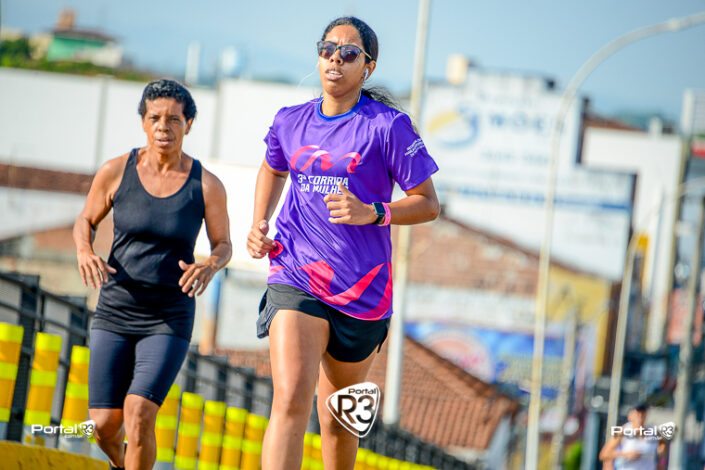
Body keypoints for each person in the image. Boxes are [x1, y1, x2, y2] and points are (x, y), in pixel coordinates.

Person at [247, 16, 440, 469]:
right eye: (327, 49)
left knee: (338, 421)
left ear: (367, 67)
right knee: (290, 398)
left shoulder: (388, 127)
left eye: (349, 53)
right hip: (296, 272)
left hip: (362, 292)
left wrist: (375, 212)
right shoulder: (290, 121)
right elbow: (273, 167)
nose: (335, 59)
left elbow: (428, 203)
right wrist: (259, 222)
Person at [73, 79, 232, 470]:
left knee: (140, 410)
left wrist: (210, 264)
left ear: (188, 124)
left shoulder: (206, 185)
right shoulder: (116, 171)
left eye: (174, 119)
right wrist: (84, 250)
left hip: (168, 316)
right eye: (155, 118)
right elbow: (86, 220)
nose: (164, 127)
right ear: (143, 122)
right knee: (103, 425)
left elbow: (223, 244)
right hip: (116, 308)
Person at [599, 403, 668, 470]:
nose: (640, 416)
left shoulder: (653, 432)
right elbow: (604, 454)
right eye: (638, 414)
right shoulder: (623, 431)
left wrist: (661, 462)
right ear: (630, 416)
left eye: (643, 413)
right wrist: (625, 454)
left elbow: (663, 449)